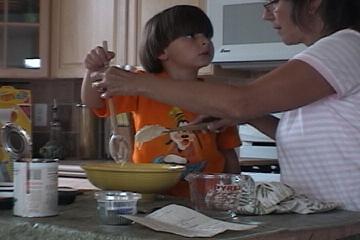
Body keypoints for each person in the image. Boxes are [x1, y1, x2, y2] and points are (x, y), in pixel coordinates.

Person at [92, 0, 360, 211]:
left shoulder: (345, 46)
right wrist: (250, 117)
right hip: (328, 216)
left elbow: (243, 101)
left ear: (313, 2)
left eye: (274, 2)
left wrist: (138, 83)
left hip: (350, 218)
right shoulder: (334, 51)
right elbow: (307, 139)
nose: (266, 15)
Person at [81, 5, 242, 197]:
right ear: (161, 52)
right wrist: (92, 72)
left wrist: (235, 193)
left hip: (205, 197)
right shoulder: (140, 85)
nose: (205, 42)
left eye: (207, 35)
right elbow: (95, 103)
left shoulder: (216, 94)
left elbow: (227, 151)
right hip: (150, 194)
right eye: (190, 36)